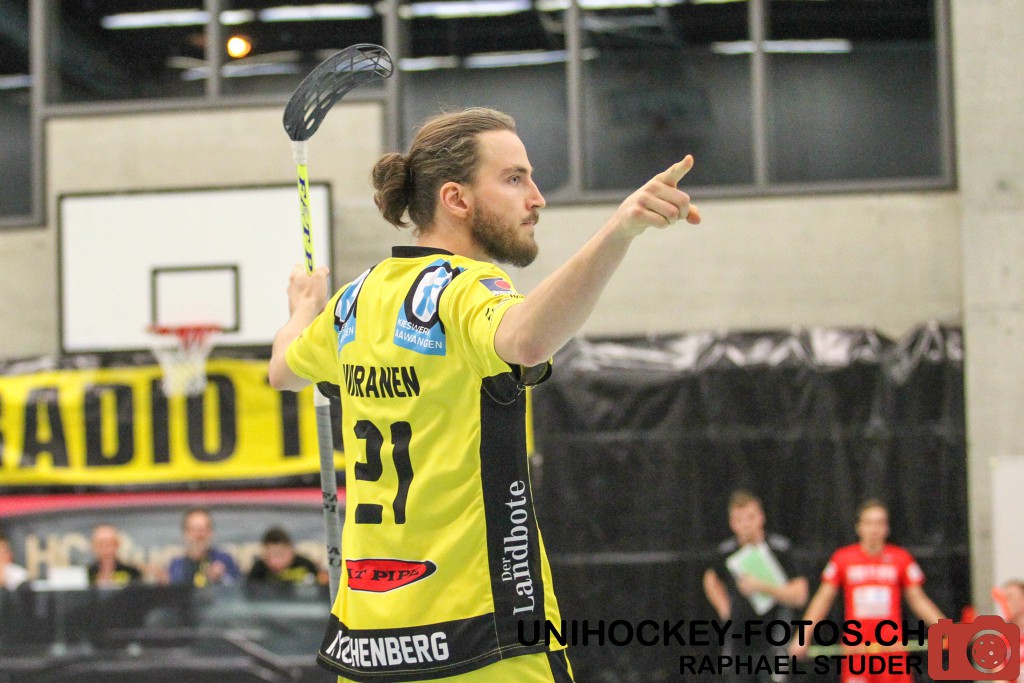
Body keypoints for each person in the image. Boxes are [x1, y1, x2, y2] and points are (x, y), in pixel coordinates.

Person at [269, 107, 700, 683]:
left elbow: (282, 370)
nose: (537, 199)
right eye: (515, 178)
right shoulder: (465, 289)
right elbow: (526, 340)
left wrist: (303, 309)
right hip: (482, 638)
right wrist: (620, 229)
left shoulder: (356, 300)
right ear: (456, 198)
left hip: (368, 646)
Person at [790, 499, 945, 683]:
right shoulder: (843, 558)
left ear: (887, 528)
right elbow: (822, 600)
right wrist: (802, 636)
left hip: (892, 651)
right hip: (857, 651)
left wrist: (946, 630)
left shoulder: (901, 558)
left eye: (879, 523)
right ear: (859, 527)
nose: (874, 529)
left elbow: (919, 600)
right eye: (869, 523)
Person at [703, 490, 808, 682]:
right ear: (732, 523)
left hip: (775, 636)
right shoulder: (727, 551)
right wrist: (724, 609)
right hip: (739, 639)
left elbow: (800, 595)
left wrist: (763, 587)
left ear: (761, 517)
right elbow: (710, 579)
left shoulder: (780, 548)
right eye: (739, 520)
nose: (746, 525)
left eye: (751, 517)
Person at [168, 507, 240, 587]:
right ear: (185, 533)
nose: (199, 535)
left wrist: (221, 578)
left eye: (203, 529)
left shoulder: (225, 561)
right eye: (194, 530)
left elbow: (238, 587)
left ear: (211, 532)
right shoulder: (176, 566)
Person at [247, 526, 325, 586]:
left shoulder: (306, 565)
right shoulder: (258, 570)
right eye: (272, 555)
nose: (277, 561)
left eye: (281, 555)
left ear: (291, 551)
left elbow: (322, 583)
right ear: (264, 555)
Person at [87, 523, 143, 588]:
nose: (106, 548)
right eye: (101, 544)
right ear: (93, 546)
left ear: (117, 545)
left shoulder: (132, 572)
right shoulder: (86, 573)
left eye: (110, 543)